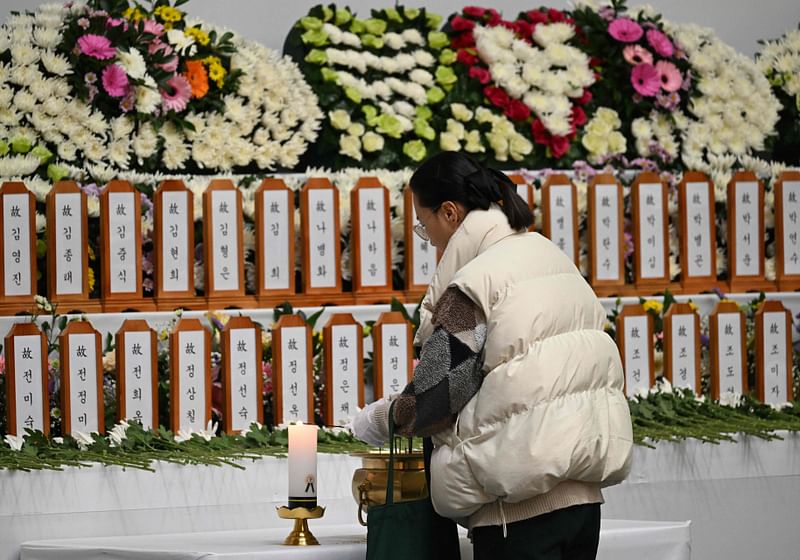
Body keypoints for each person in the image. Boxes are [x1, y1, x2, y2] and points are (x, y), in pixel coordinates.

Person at [352, 151, 633, 559]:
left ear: (449, 212)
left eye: (423, 225)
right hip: (583, 505)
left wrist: (382, 418)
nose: (428, 240)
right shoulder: (552, 259)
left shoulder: (477, 283)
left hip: (518, 514)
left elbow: (437, 397)